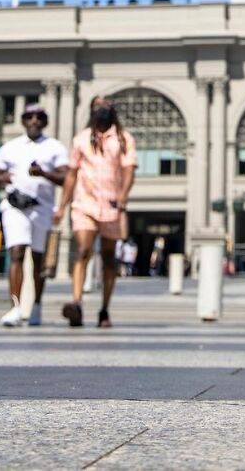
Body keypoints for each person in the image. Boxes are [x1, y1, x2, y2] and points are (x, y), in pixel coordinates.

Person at [54, 97, 137, 328]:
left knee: (109, 258)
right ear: (91, 110)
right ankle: (77, 303)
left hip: (111, 205)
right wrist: (62, 206)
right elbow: (71, 174)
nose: (103, 108)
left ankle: (104, 309)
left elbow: (129, 170)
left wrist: (123, 196)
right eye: (98, 105)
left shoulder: (123, 139)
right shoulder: (81, 139)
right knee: (83, 250)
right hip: (85, 203)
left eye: (107, 104)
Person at [0, 103, 68, 327]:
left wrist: (43, 172)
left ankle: (37, 305)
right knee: (16, 252)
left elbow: (65, 178)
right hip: (15, 207)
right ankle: (15, 307)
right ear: (23, 121)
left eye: (39, 117)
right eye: (29, 117)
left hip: (42, 208)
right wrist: (1, 179)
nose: (34, 121)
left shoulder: (55, 147)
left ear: (45, 121)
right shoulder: (9, 148)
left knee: (39, 260)